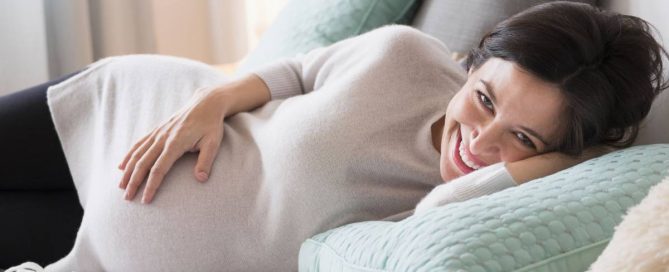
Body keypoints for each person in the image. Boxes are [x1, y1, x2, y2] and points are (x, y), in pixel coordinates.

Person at [2, 1, 667, 271]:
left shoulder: (468, 203)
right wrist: (212, 101)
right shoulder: (404, 57)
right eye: (482, 98)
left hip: (97, 250)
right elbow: (296, 68)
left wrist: (561, 158)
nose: (479, 140)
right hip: (130, 109)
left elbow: (443, 213)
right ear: (469, 66)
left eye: (520, 135)